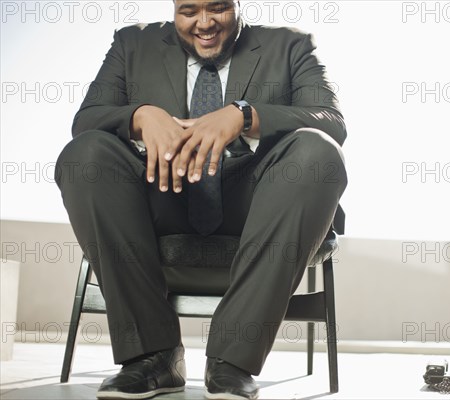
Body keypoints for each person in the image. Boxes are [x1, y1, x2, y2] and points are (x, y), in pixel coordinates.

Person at [55, 0, 347, 399]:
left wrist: (244, 116)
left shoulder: (289, 45)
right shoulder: (131, 43)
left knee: (319, 154)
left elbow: (330, 119)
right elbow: (86, 120)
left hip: (257, 207)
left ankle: (233, 361)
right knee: (85, 155)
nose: (205, 24)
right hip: (163, 196)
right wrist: (141, 115)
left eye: (219, 9)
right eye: (189, 10)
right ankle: (153, 357)